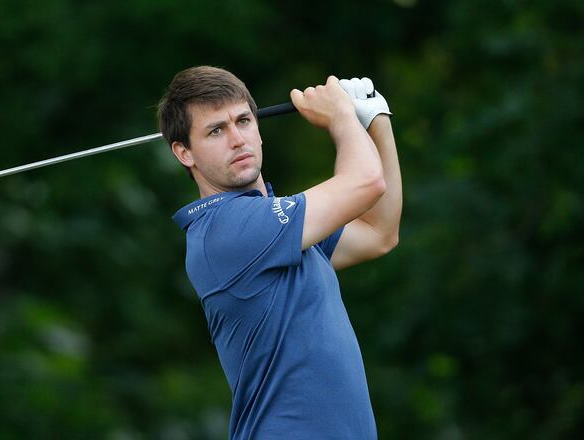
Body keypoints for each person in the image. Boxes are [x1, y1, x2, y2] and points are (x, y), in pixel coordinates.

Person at [158, 66, 402, 439]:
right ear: (184, 152)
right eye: (216, 131)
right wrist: (340, 115)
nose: (237, 139)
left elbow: (378, 233)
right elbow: (366, 182)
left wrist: (375, 120)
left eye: (243, 121)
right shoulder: (226, 228)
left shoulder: (282, 227)